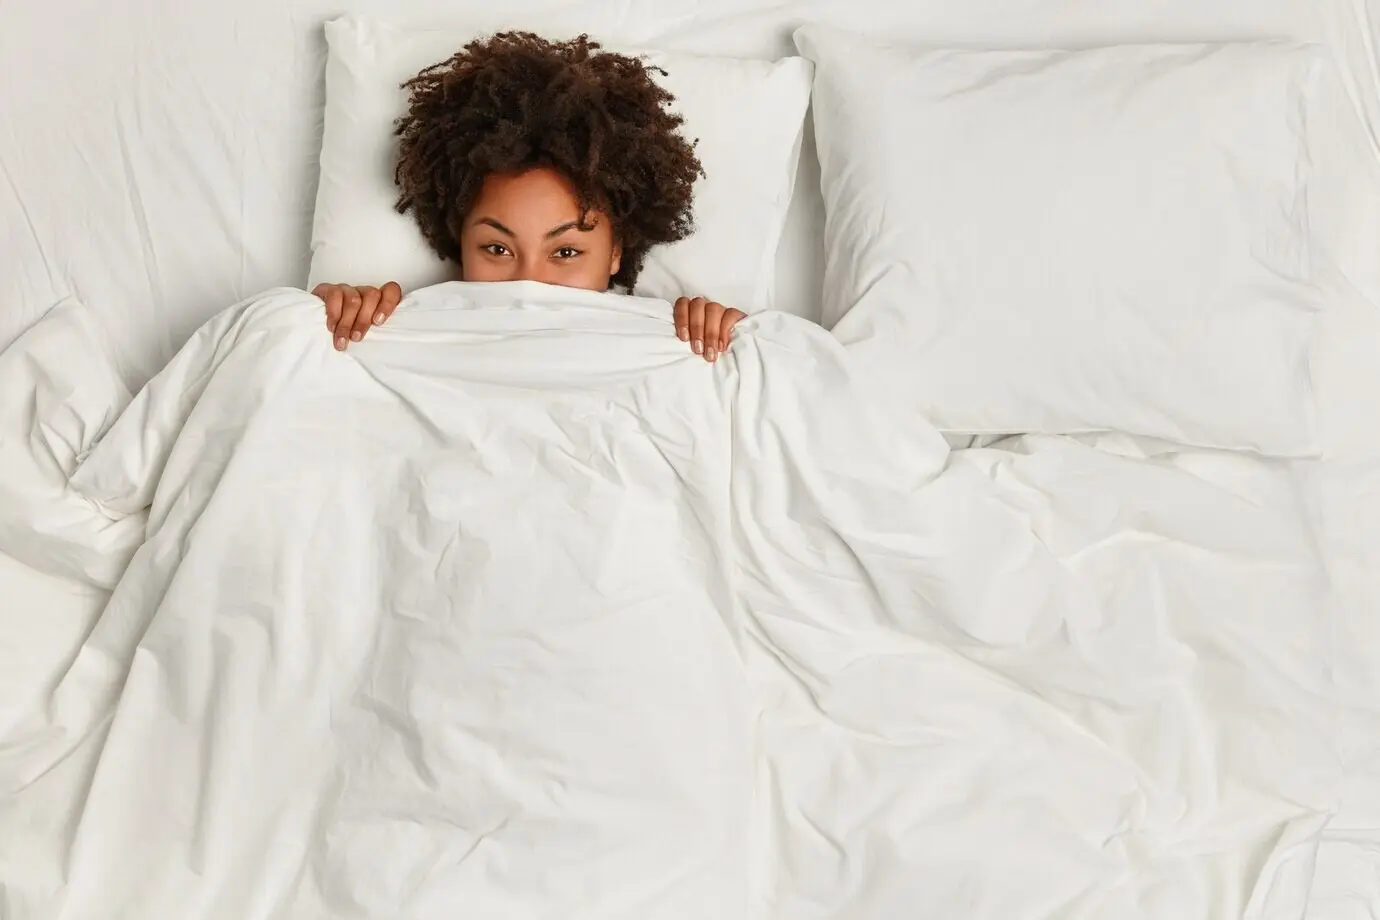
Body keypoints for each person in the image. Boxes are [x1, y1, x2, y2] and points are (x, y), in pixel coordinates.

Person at [312, 31, 746, 364]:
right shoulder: (405, 329)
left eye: (566, 252)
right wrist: (327, 318)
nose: (528, 283)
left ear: (616, 251)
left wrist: (737, 340)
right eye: (497, 249)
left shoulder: (671, 342)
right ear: (460, 240)